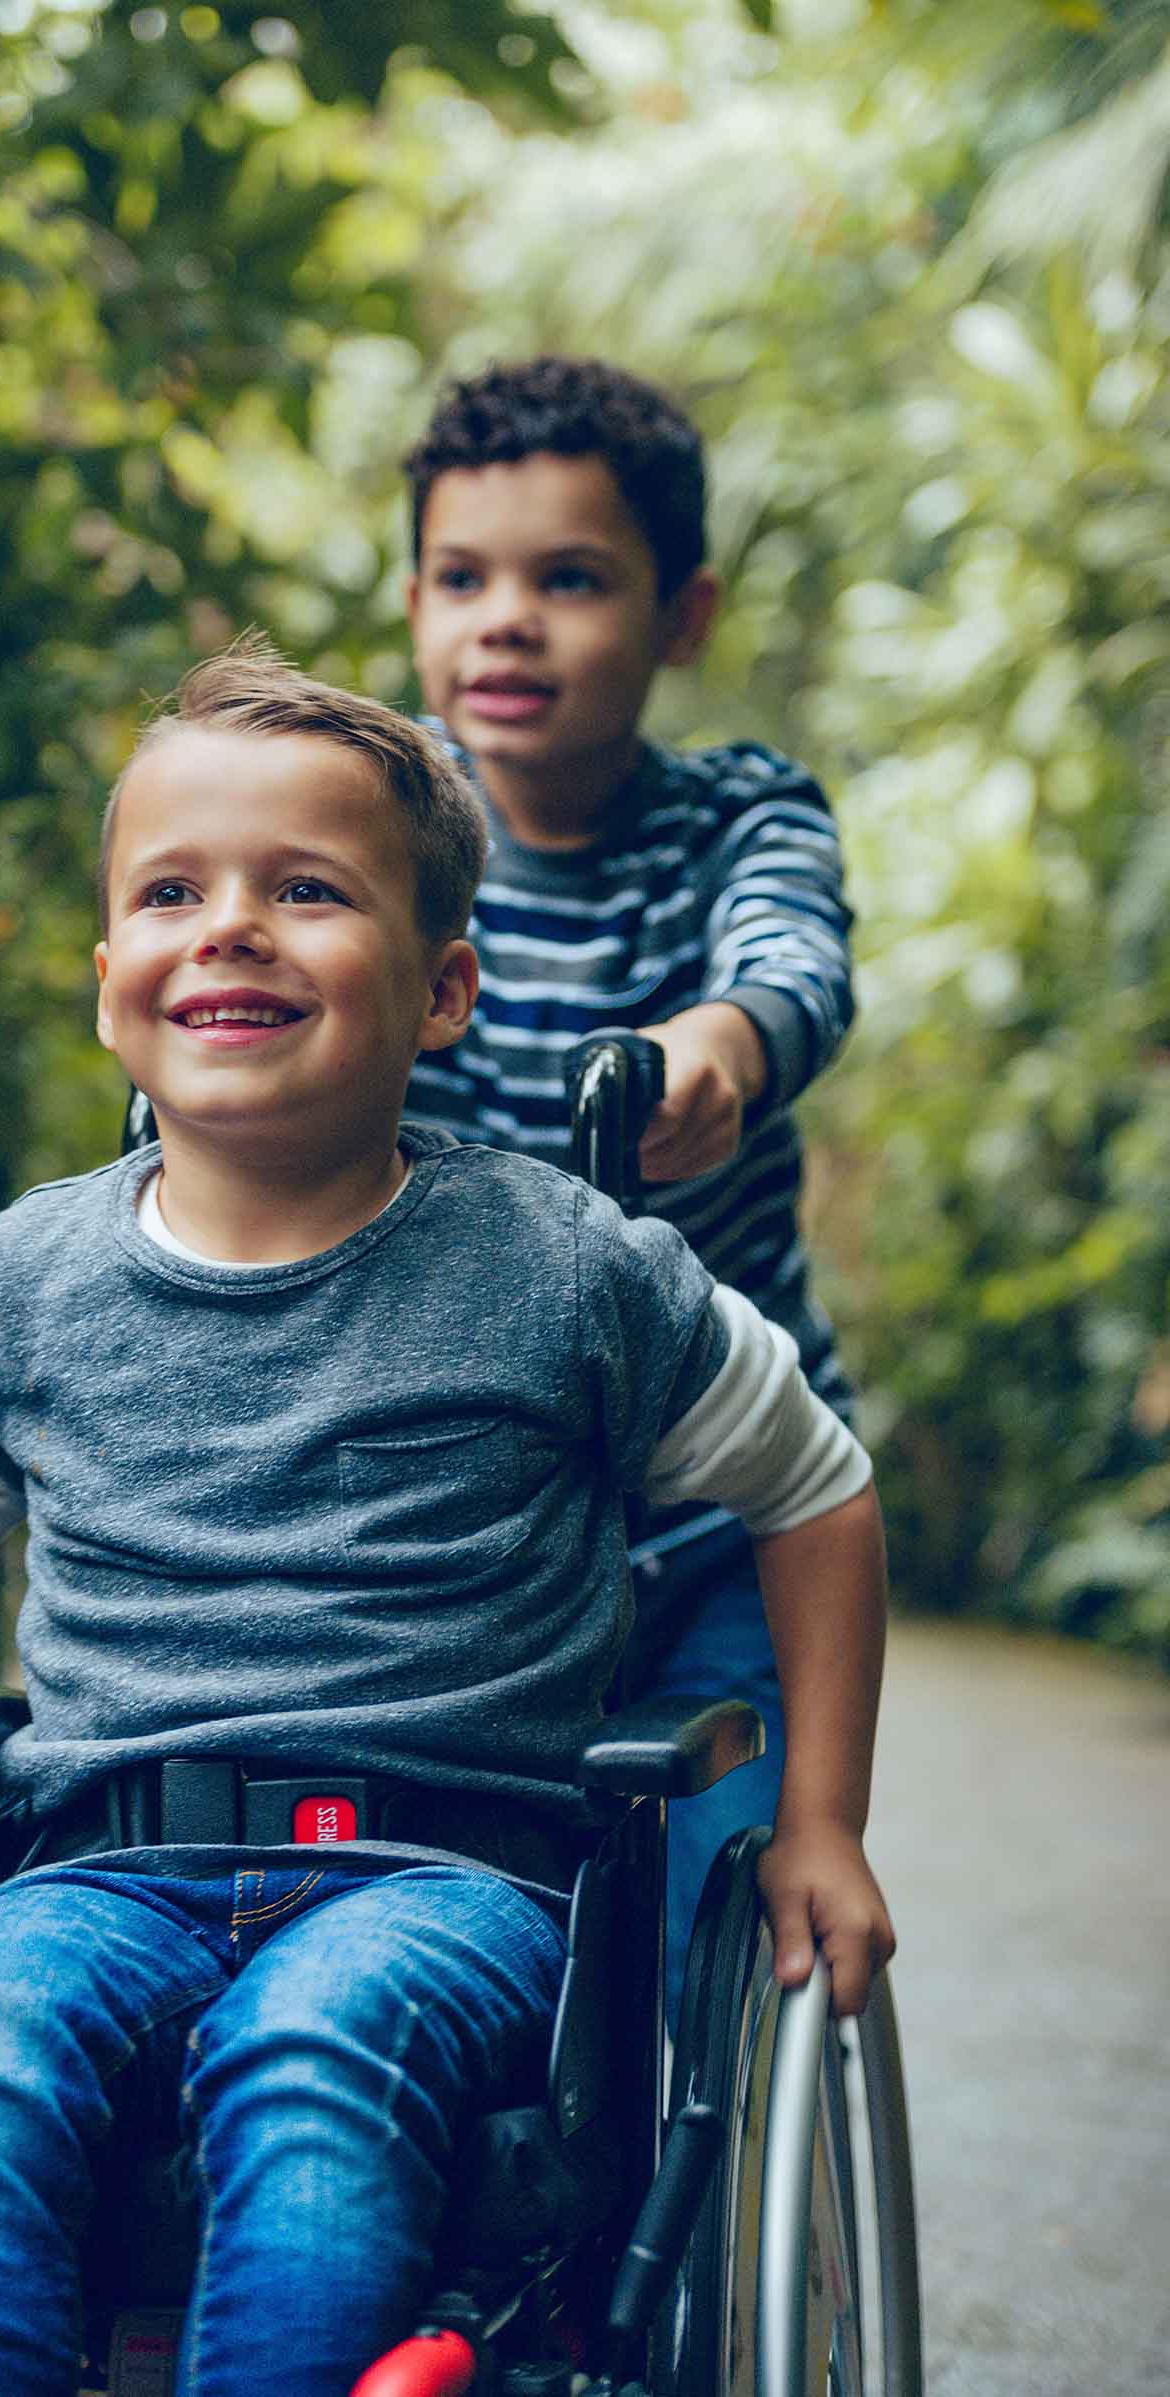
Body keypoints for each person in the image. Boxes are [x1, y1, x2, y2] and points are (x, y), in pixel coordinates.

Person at [0, 639, 894, 2397]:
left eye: (305, 888)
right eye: (172, 890)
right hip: (102, 1864)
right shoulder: (26, 1277)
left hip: (447, 1877)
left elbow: (812, 1485)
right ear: (112, 978)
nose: (230, 925)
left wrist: (816, 1819)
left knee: (317, 2041)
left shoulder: (568, 1270)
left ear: (442, 992)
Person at [402, 355, 858, 2014]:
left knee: (686, 1953)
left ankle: (666, 2261)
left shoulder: (740, 812)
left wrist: (718, 1049)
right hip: (462, 1529)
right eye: (465, 578)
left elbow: (790, 961)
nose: (505, 620)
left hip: (718, 1523)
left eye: (569, 578)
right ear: (415, 603)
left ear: (683, 613)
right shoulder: (369, 844)